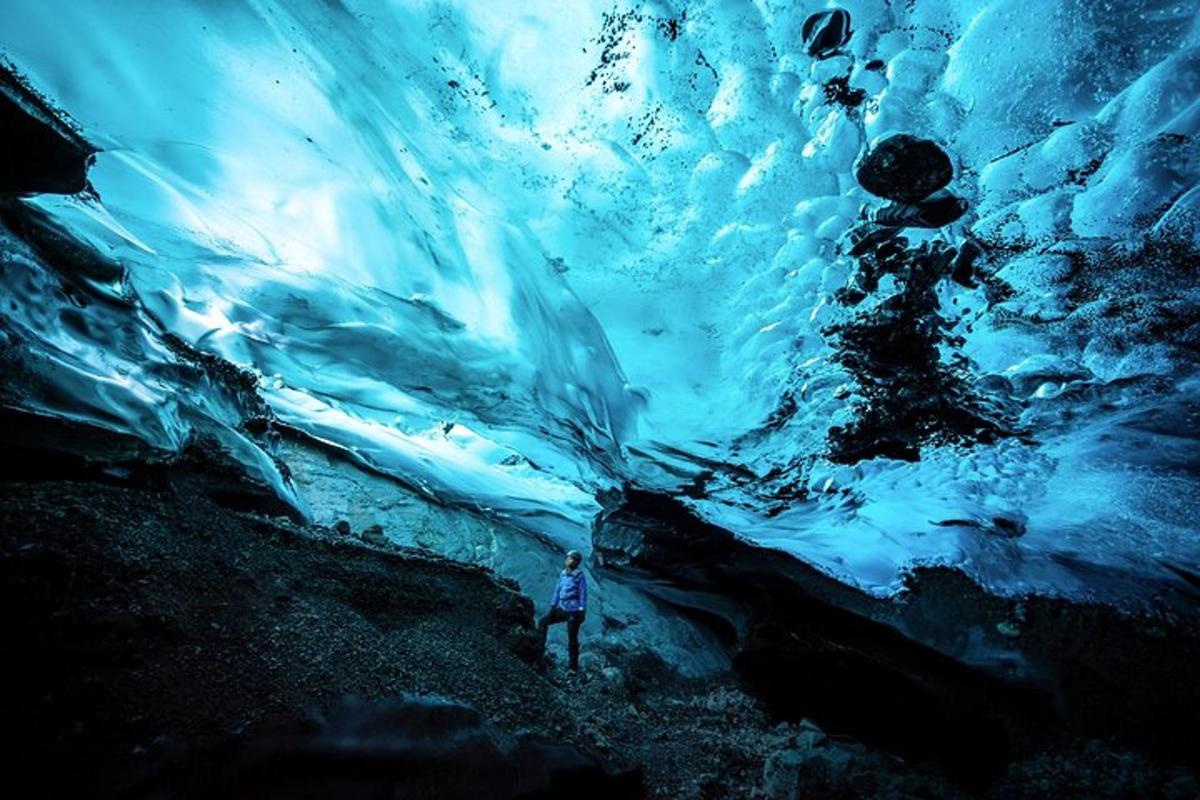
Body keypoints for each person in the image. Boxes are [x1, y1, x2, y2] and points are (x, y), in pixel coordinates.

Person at [538, 549, 587, 671]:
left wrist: (582, 610)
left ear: (576, 561)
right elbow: (557, 590)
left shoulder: (579, 576)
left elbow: (583, 593)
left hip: (574, 610)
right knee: (543, 622)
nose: (568, 560)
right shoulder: (563, 573)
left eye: (571, 558)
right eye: (568, 557)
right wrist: (553, 606)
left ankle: (573, 666)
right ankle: (539, 649)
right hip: (562, 608)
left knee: (572, 638)